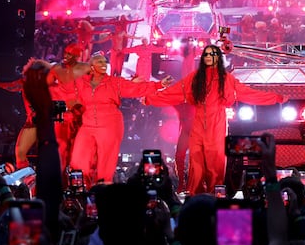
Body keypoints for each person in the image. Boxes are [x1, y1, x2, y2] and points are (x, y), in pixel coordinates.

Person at [144, 44, 287, 195]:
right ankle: (195, 196)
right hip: (198, 124)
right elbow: (174, 92)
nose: (208, 57)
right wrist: (149, 99)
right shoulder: (195, 77)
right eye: (206, 54)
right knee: (196, 163)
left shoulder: (227, 79)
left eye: (212, 54)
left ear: (218, 57)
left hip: (217, 123)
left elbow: (249, 94)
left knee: (215, 164)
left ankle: (214, 196)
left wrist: (276, 98)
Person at [70, 52, 172, 188]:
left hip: (110, 124)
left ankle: (103, 191)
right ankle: (83, 190)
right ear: (91, 66)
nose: (103, 64)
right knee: (78, 161)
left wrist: (159, 84)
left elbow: (136, 89)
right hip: (88, 125)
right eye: (99, 61)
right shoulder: (81, 83)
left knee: (106, 163)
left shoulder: (114, 82)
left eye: (104, 62)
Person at [45, 43, 92, 173]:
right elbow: (45, 86)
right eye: (66, 53)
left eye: (70, 54)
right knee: (61, 146)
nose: (66, 56)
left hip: (80, 111)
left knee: (78, 147)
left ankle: (74, 175)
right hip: (62, 110)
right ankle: (59, 176)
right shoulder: (57, 69)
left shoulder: (86, 69)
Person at [0, 73, 36, 168]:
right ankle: (26, 174)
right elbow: (12, 86)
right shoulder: (25, 83)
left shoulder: (49, 82)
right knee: (20, 152)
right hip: (33, 121)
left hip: (49, 121)